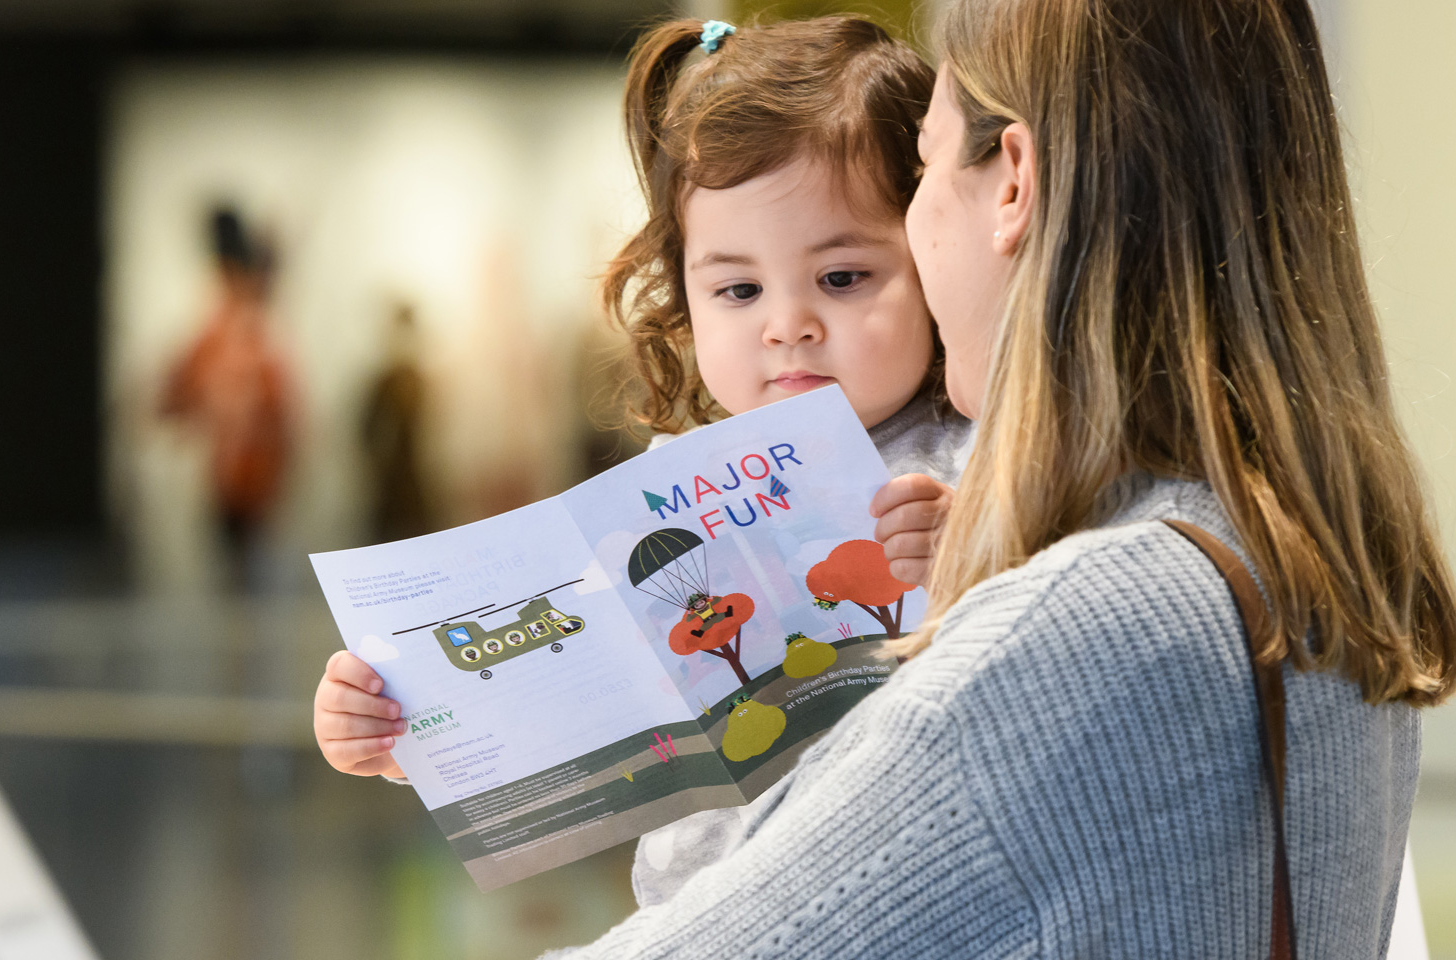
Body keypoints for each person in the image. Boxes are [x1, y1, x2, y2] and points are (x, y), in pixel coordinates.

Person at [508, 0, 1456, 955]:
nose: (789, 323)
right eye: (738, 287)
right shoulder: (1297, 544)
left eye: (923, 168)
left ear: (1012, 183)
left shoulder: (1084, 619)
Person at [311, 15, 972, 907]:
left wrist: (973, 552)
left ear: (932, 254)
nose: (787, 325)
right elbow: (566, 695)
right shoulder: (669, 488)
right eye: (738, 289)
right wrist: (402, 731)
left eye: (843, 277)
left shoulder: (974, 454)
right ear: (684, 296)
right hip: (700, 912)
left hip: (899, 905)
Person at [162, 207, 296, 592]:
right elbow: (176, 396)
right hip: (229, 478)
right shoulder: (222, 331)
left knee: (249, 581)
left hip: (252, 479)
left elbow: (281, 416)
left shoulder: (253, 337)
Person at [359, 302, 433, 542]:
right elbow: (366, 430)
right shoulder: (385, 382)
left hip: (418, 484)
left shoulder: (421, 380)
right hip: (390, 487)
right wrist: (377, 466)